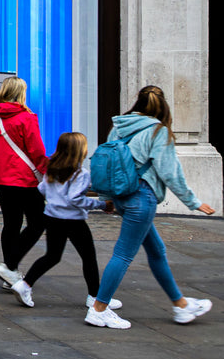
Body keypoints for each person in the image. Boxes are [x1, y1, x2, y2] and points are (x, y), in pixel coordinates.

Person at [87, 86, 216, 330]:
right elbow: (170, 172)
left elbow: (106, 164)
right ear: (163, 107)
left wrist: (108, 198)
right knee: (123, 255)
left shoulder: (119, 126)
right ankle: (99, 309)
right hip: (141, 198)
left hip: (123, 197)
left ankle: (181, 305)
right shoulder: (158, 130)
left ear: (138, 102)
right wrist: (194, 202)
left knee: (156, 250)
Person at [12, 131, 116, 309]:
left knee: (52, 256)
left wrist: (56, 199)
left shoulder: (52, 169)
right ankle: (94, 296)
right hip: (73, 221)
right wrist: (101, 205)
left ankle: (25, 284)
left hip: (52, 217)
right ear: (79, 151)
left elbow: (42, 189)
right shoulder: (81, 173)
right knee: (89, 257)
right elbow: (75, 199)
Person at [0, 77, 46, 288]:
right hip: (23, 179)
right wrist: (46, 172)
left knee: (11, 223)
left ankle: (12, 272)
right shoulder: (26, 118)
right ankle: (9, 266)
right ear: (21, 93)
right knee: (37, 223)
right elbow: (36, 151)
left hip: (0, 179)